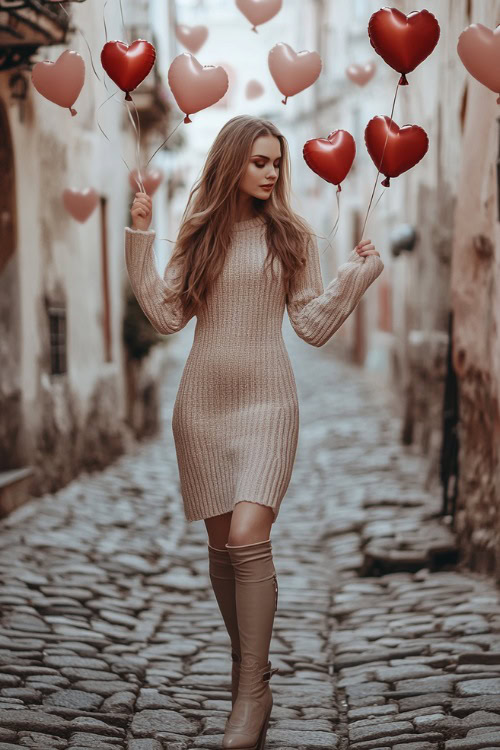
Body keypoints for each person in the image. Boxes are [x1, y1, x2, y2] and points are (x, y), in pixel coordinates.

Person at [125, 114, 383, 750]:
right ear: (233, 162)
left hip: (269, 403)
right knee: (222, 550)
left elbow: (313, 325)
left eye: (277, 162)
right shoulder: (200, 236)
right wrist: (139, 234)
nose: (271, 172)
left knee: (247, 535)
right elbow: (163, 313)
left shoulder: (294, 237)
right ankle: (253, 675)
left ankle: (250, 692)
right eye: (260, 161)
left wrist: (356, 277)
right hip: (203, 407)